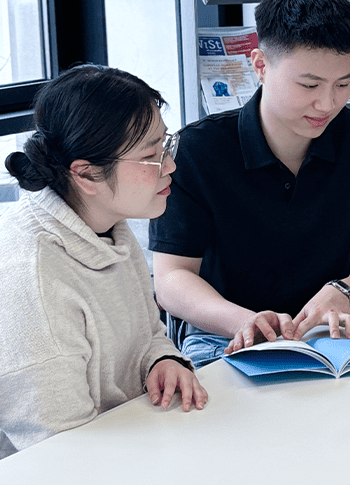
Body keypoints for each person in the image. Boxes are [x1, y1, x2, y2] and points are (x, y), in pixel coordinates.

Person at [150, 0, 350, 366]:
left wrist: (343, 291)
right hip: (223, 330)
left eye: (343, 84)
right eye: (309, 85)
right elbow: (171, 280)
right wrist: (244, 321)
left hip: (331, 326)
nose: (327, 103)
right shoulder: (198, 150)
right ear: (260, 66)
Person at [0, 65, 207, 459]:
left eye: (166, 145)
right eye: (151, 155)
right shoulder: (35, 280)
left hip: (127, 442)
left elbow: (148, 333)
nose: (170, 166)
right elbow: (62, 452)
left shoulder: (106, 225)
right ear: (87, 174)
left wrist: (162, 360)